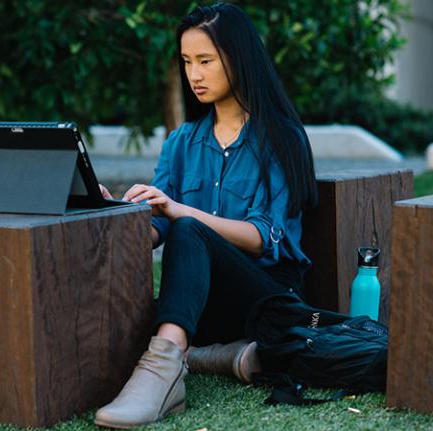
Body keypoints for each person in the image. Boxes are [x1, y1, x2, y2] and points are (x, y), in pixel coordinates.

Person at [93, 3, 317, 428]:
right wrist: (114, 216)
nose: (193, 74)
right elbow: (159, 228)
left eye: (205, 61)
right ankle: (220, 356)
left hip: (265, 296)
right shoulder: (181, 142)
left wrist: (180, 212)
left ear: (239, 59)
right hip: (206, 301)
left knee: (190, 229)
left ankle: (164, 377)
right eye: (186, 62)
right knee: (130, 319)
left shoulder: (281, 140)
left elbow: (264, 236)